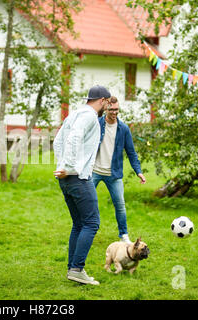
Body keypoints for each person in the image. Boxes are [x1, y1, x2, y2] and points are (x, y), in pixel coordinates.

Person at [53, 85, 111, 286]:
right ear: (102, 100)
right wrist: (68, 167)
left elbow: (58, 142)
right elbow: (74, 138)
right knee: (91, 223)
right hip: (78, 177)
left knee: (79, 224)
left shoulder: (74, 114)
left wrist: (62, 167)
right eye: (108, 103)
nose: (107, 107)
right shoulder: (89, 116)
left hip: (66, 177)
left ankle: (73, 269)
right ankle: (77, 268)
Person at [92, 96, 146, 244]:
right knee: (87, 202)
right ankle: (86, 230)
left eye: (116, 109)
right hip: (94, 171)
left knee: (120, 205)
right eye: (111, 110)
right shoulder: (97, 124)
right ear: (106, 109)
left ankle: (123, 234)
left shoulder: (123, 129)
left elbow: (131, 152)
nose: (114, 112)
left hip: (113, 174)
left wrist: (138, 171)